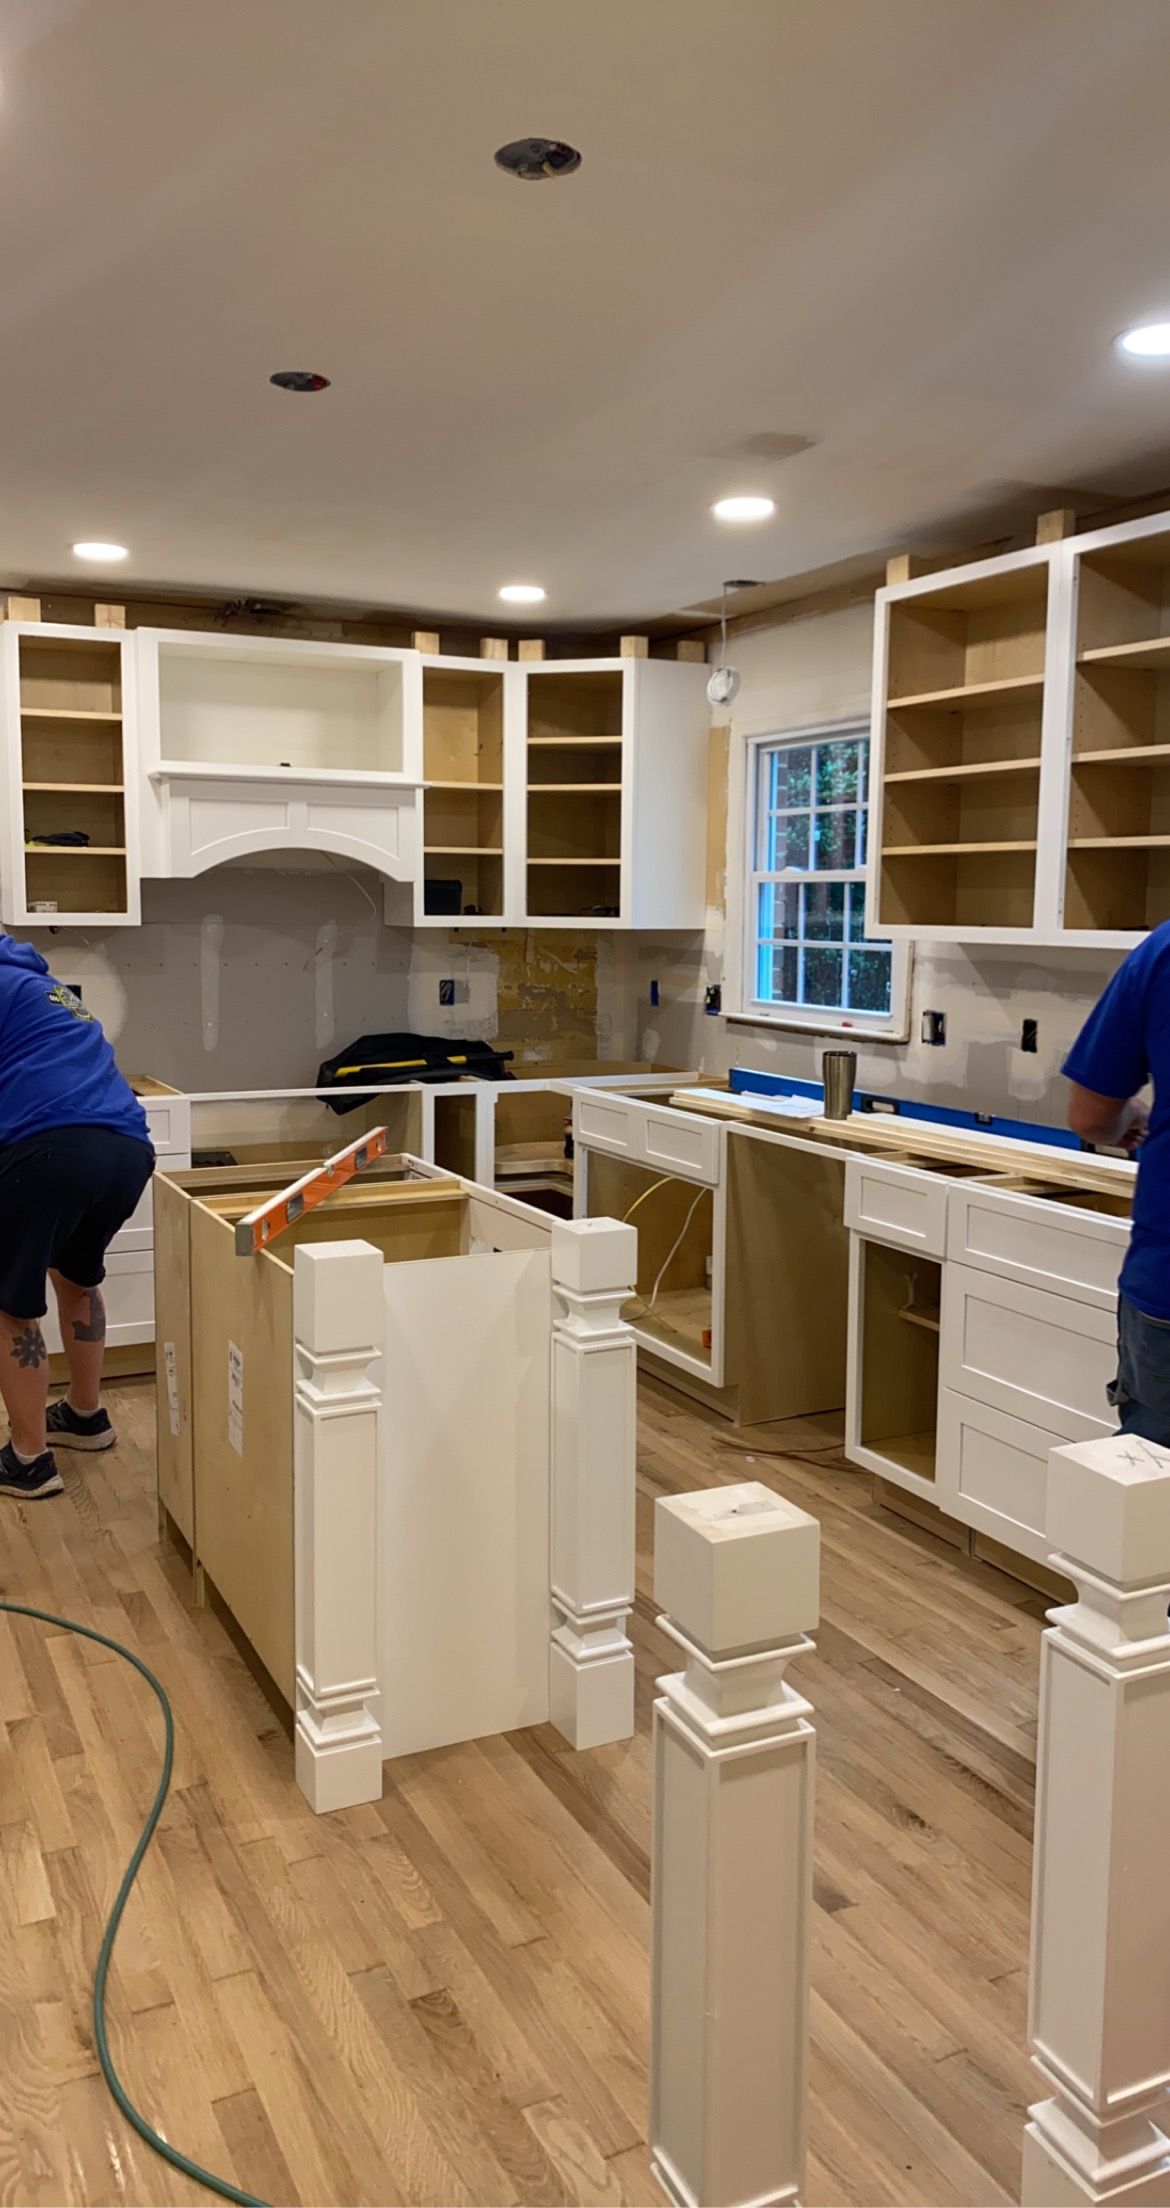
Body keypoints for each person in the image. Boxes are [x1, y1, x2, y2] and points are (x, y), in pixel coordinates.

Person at [0, 938, 154, 1499]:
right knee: (76, 1275)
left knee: (11, 1306)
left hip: (50, 1151)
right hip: (127, 1151)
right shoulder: (46, 988)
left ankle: (28, 1459)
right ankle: (85, 1415)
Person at [1064, 920, 1169, 1443]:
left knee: (1154, 1502)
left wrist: (1130, 1115)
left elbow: (1090, 1116)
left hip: (1166, 1287)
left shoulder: (1163, 952)